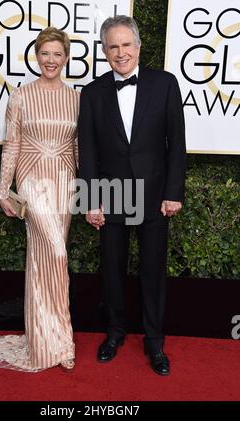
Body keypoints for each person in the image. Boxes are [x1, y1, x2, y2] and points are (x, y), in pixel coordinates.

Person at [78, 15, 186, 376]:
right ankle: (115, 333)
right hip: (112, 193)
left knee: (153, 270)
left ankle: (155, 341)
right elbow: (88, 151)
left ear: (139, 47)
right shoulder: (92, 93)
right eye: (113, 46)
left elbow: (177, 145)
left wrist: (173, 192)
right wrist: (91, 200)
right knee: (112, 269)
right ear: (105, 52)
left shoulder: (166, 84)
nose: (120, 52)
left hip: (155, 193)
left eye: (126, 45)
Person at [0, 27, 79, 372]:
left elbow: (80, 149)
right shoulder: (20, 95)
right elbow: (12, 145)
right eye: (45, 53)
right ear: (36, 56)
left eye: (57, 54)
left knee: (44, 259)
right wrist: (4, 189)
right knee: (56, 252)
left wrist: (88, 190)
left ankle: (51, 339)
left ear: (66, 58)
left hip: (65, 184)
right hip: (33, 180)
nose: (51, 60)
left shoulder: (77, 98)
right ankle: (56, 340)